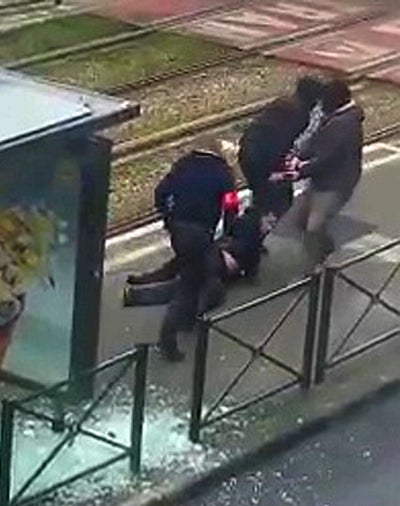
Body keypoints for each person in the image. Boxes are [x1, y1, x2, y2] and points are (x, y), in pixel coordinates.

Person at [151, 136, 236, 362]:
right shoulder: (223, 172)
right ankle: (167, 338)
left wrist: (168, 217)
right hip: (201, 233)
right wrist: (228, 234)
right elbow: (231, 205)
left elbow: (160, 193)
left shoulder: (182, 166)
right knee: (189, 284)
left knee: (196, 275)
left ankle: (190, 319)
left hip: (178, 231)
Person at [275, 77, 365, 267]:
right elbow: (317, 142)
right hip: (324, 181)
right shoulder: (338, 118)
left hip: (335, 184)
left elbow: (325, 158)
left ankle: (318, 266)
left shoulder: (343, 125)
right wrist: (299, 156)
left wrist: (298, 171)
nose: (321, 106)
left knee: (313, 227)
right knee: (300, 219)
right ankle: (323, 252)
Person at [124, 205, 265, 310]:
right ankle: (135, 296)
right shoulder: (252, 240)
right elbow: (250, 270)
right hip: (217, 263)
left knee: (175, 267)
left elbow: (224, 238)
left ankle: (142, 281)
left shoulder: (238, 225)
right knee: (185, 285)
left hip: (208, 251)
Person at [238, 76, 327, 226]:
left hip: (248, 152)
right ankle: (258, 233)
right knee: (277, 200)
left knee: (262, 196)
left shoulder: (284, 102)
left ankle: (252, 228)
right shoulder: (300, 114)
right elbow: (280, 141)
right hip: (262, 158)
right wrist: (278, 169)